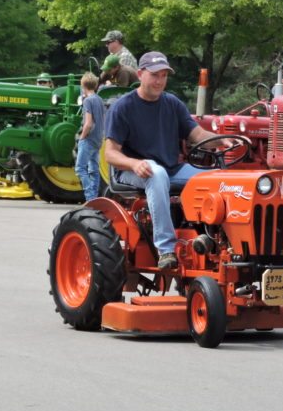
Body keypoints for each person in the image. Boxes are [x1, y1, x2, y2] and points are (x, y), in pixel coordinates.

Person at [104, 51, 222, 270]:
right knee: (155, 173)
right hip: (133, 171)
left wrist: (223, 141)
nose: (160, 81)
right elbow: (110, 154)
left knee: (215, 179)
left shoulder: (172, 104)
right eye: (154, 75)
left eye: (164, 76)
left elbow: (197, 136)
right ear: (140, 74)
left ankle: (215, 243)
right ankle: (166, 249)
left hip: (172, 168)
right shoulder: (123, 107)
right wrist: (133, 163)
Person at [74, 72, 105, 202]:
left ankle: (90, 197)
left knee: (80, 168)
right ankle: (95, 197)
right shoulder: (99, 99)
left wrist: (82, 137)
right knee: (93, 169)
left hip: (89, 139)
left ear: (83, 85)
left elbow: (88, 123)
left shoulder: (88, 101)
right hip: (98, 139)